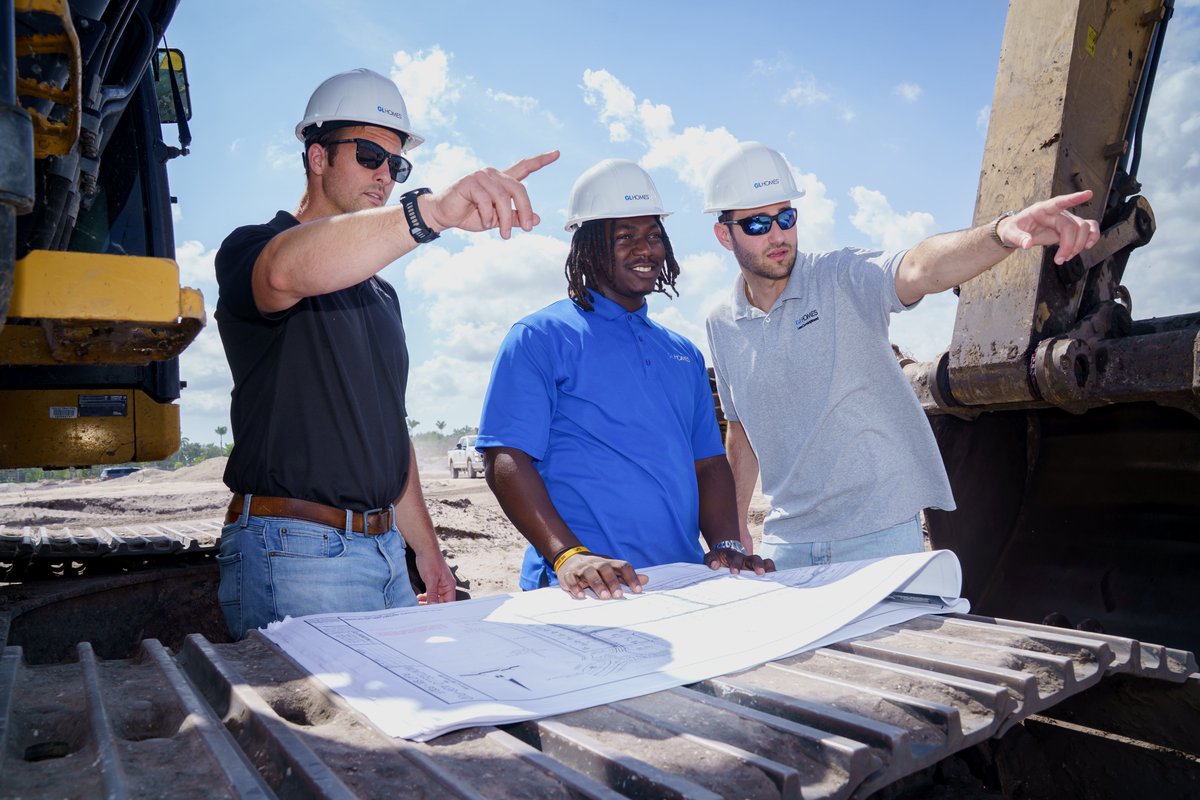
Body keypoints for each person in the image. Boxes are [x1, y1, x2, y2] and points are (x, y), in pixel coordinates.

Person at [213, 68, 558, 637]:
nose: (385, 176)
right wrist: (432, 213)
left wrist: (425, 549)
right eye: (370, 155)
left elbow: (386, 432)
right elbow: (287, 268)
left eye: (396, 166)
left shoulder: (380, 293)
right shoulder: (252, 248)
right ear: (317, 156)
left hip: (383, 550)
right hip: (297, 550)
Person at [703, 141, 1100, 569]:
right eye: (759, 224)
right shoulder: (721, 323)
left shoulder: (840, 277)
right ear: (725, 235)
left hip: (879, 536)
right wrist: (737, 527)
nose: (778, 235)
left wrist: (1000, 233)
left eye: (786, 217)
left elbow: (918, 268)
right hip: (787, 544)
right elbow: (741, 431)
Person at [476, 159, 772, 601]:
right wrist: (567, 555)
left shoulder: (682, 353)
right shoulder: (540, 337)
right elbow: (506, 458)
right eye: (625, 237)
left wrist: (727, 544)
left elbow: (708, 463)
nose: (645, 249)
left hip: (682, 582)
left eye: (653, 236)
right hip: (579, 589)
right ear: (589, 245)